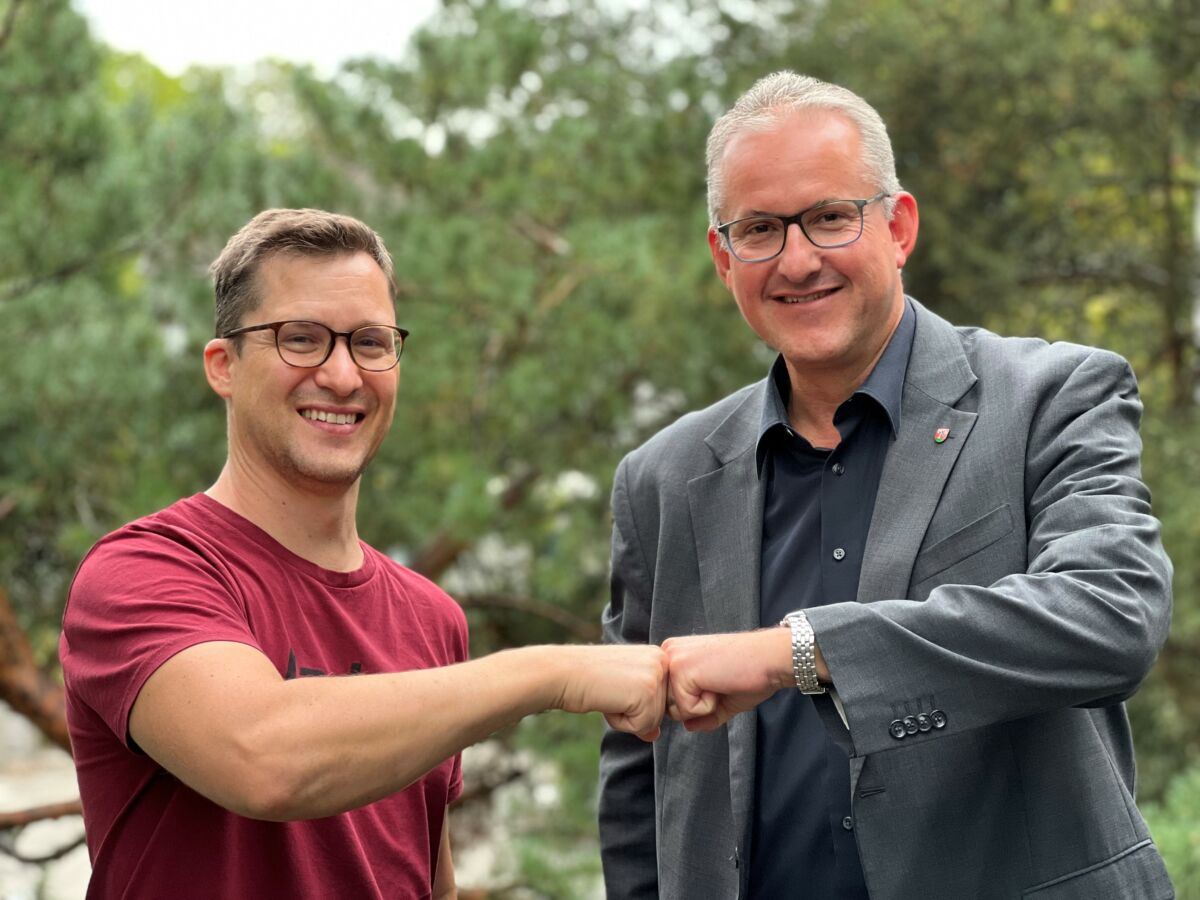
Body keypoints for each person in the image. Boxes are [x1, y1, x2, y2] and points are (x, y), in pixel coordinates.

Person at [598, 72, 1173, 900]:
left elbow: (1111, 616)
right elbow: (637, 768)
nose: (797, 261)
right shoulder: (662, 478)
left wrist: (798, 652)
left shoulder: (1052, 396)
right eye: (759, 229)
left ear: (898, 226)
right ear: (724, 257)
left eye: (830, 217)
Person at [61, 208, 668, 899]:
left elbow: (425, 883)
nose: (344, 376)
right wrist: (552, 674)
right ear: (223, 366)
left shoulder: (430, 618)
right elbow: (264, 757)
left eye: (371, 343)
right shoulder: (144, 572)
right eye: (301, 339)